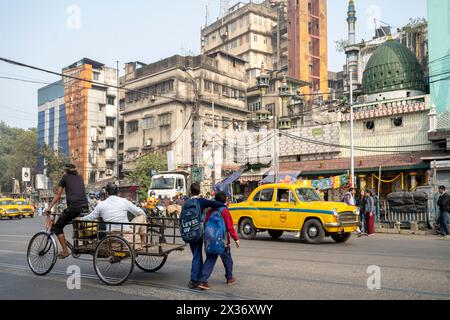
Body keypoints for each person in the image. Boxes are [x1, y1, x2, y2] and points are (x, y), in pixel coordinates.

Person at [79, 183, 148, 247]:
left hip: (111, 233)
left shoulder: (101, 204)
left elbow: (91, 217)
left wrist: (80, 219)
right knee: (142, 216)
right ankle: (143, 242)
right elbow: (140, 212)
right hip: (126, 231)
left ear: (106, 193)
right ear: (117, 192)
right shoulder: (124, 201)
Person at [186, 182, 226, 289]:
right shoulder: (202, 201)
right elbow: (217, 204)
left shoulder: (187, 202)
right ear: (199, 191)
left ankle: (196, 278)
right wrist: (224, 205)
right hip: (198, 231)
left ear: (190, 191)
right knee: (197, 255)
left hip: (188, 231)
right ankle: (194, 280)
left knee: (195, 254)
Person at [198, 191, 240, 290]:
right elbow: (230, 227)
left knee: (210, 259)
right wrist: (236, 239)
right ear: (225, 200)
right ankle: (229, 278)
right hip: (223, 241)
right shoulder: (224, 210)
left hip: (211, 240)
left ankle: (203, 281)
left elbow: (205, 224)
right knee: (227, 260)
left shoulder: (210, 210)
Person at [45, 164, 89, 259]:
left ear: (66, 171)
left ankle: (65, 251)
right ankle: (85, 243)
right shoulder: (80, 177)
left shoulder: (65, 177)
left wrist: (49, 208)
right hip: (85, 206)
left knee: (57, 227)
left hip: (73, 207)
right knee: (78, 222)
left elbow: (58, 195)